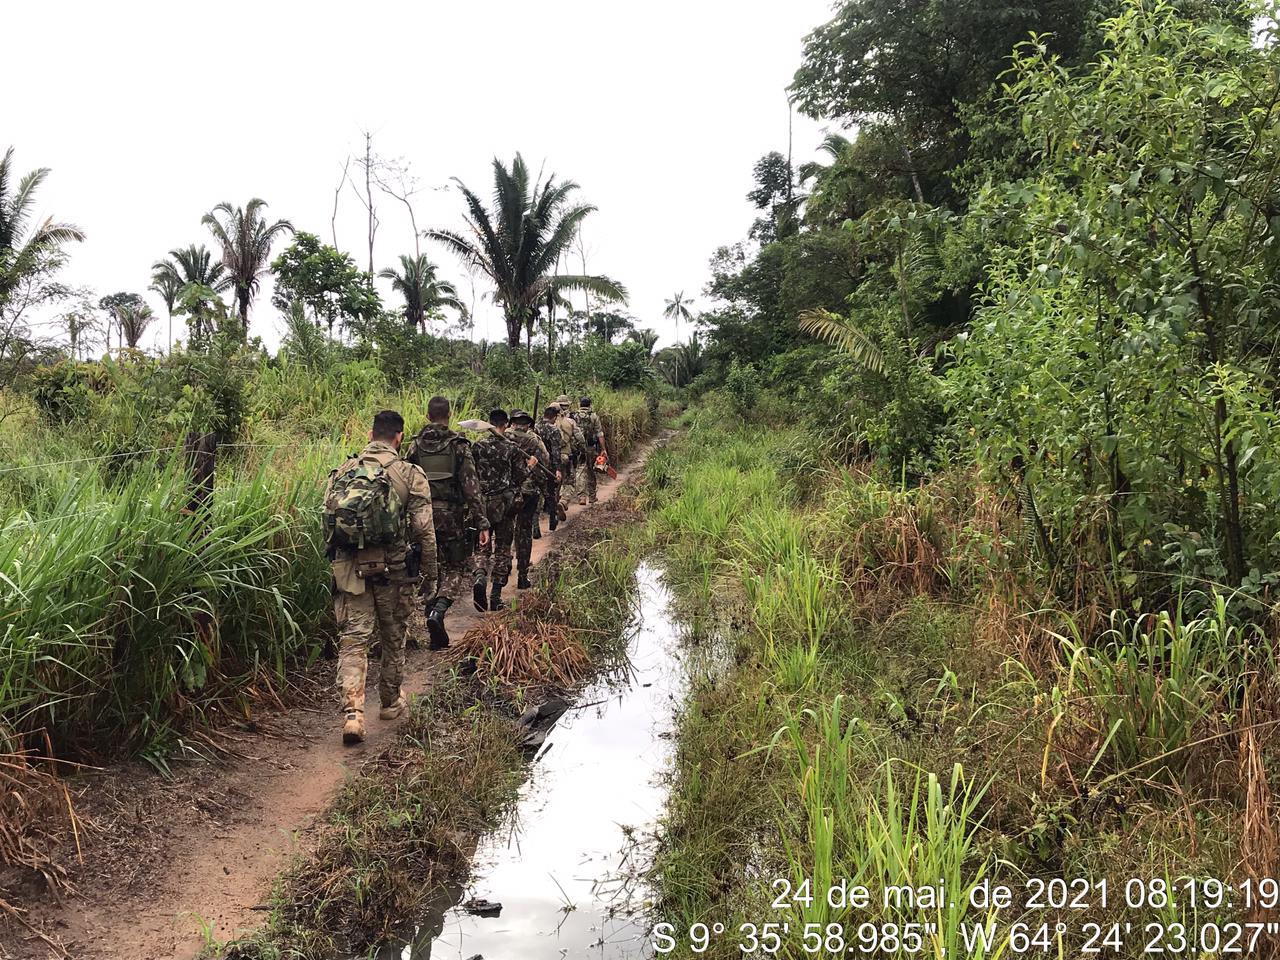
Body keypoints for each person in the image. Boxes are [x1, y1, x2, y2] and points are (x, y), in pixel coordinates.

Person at [323, 410, 436, 745]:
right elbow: (424, 532)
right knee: (393, 636)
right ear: (399, 437)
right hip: (394, 571)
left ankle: (353, 715)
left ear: (370, 433)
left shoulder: (344, 471)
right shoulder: (410, 474)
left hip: (350, 571)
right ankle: (389, 702)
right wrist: (431, 575)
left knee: (354, 640)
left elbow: (329, 523)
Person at [406, 395, 490, 649]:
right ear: (449, 414)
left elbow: (404, 484)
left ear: (428, 415)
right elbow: (471, 488)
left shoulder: (414, 447)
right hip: (451, 518)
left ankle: (430, 623)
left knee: (429, 570)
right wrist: (482, 522)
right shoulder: (459, 446)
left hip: (420, 518)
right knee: (456, 567)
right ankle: (438, 612)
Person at [471, 409, 533, 611]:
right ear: (506, 424)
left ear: (489, 423)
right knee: (503, 550)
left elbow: (470, 475)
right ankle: (495, 597)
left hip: (482, 505)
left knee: (482, 546)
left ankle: (480, 576)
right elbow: (520, 476)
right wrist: (531, 465)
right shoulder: (511, 448)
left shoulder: (478, 446)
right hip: (504, 505)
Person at [506, 409, 551, 590]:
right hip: (528, 491)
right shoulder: (534, 440)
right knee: (523, 531)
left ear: (512, 423)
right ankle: (522, 575)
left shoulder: (502, 437)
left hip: (506, 491)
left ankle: (505, 563)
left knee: (505, 529)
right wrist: (541, 485)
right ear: (529, 424)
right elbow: (544, 461)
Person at [555, 394, 586, 514]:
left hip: (548, 458)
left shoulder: (545, 420)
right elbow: (580, 438)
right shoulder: (570, 420)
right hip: (565, 456)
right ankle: (563, 501)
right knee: (569, 480)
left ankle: (552, 506)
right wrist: (583, 451)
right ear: (568, 405)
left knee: (553, 482)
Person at [534, 405, 564, 531]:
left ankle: (535, 526)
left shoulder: (534, 427)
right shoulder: (554, 430)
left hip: (535, 465)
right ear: (554, 417)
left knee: (536, 495)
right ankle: (552, 519)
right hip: (549, 466)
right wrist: (558, 469)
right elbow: (556, 452)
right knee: (550, 494)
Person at [572, 395, 606, 505]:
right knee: (591, 471)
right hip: (591, 447)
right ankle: (592, 496)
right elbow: (600, 434)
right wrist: (603, 449)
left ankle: (582, 497)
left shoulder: (574, 416)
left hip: (578, 448)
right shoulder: (594, 416)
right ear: (589, 405)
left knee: (580, 471)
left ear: (580, 404)